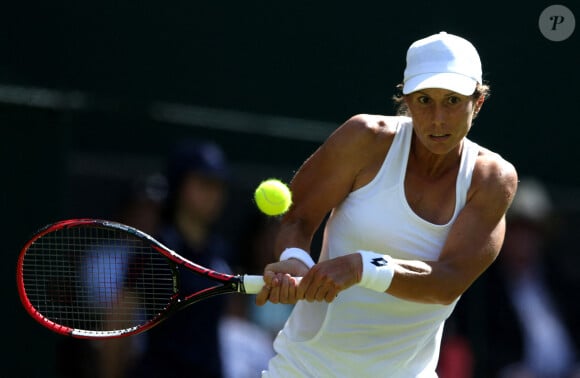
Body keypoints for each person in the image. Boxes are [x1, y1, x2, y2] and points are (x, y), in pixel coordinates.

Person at [255, 31, 518, 377]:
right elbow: (298, 218)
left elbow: (449, 281)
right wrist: (295, 259)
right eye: (425, 100)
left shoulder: (490, 179)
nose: (438, 118)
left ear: (478, 102)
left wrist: (363, 267)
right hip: (304, 369)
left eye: (453, 101)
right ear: (406, 100)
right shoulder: (364, 139)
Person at [129, 139, 233, 378]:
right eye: (204, 183)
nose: (214, 194)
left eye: (219, 185)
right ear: (179, 184)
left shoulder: (221, 251)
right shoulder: (154, 251)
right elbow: (121, 315)